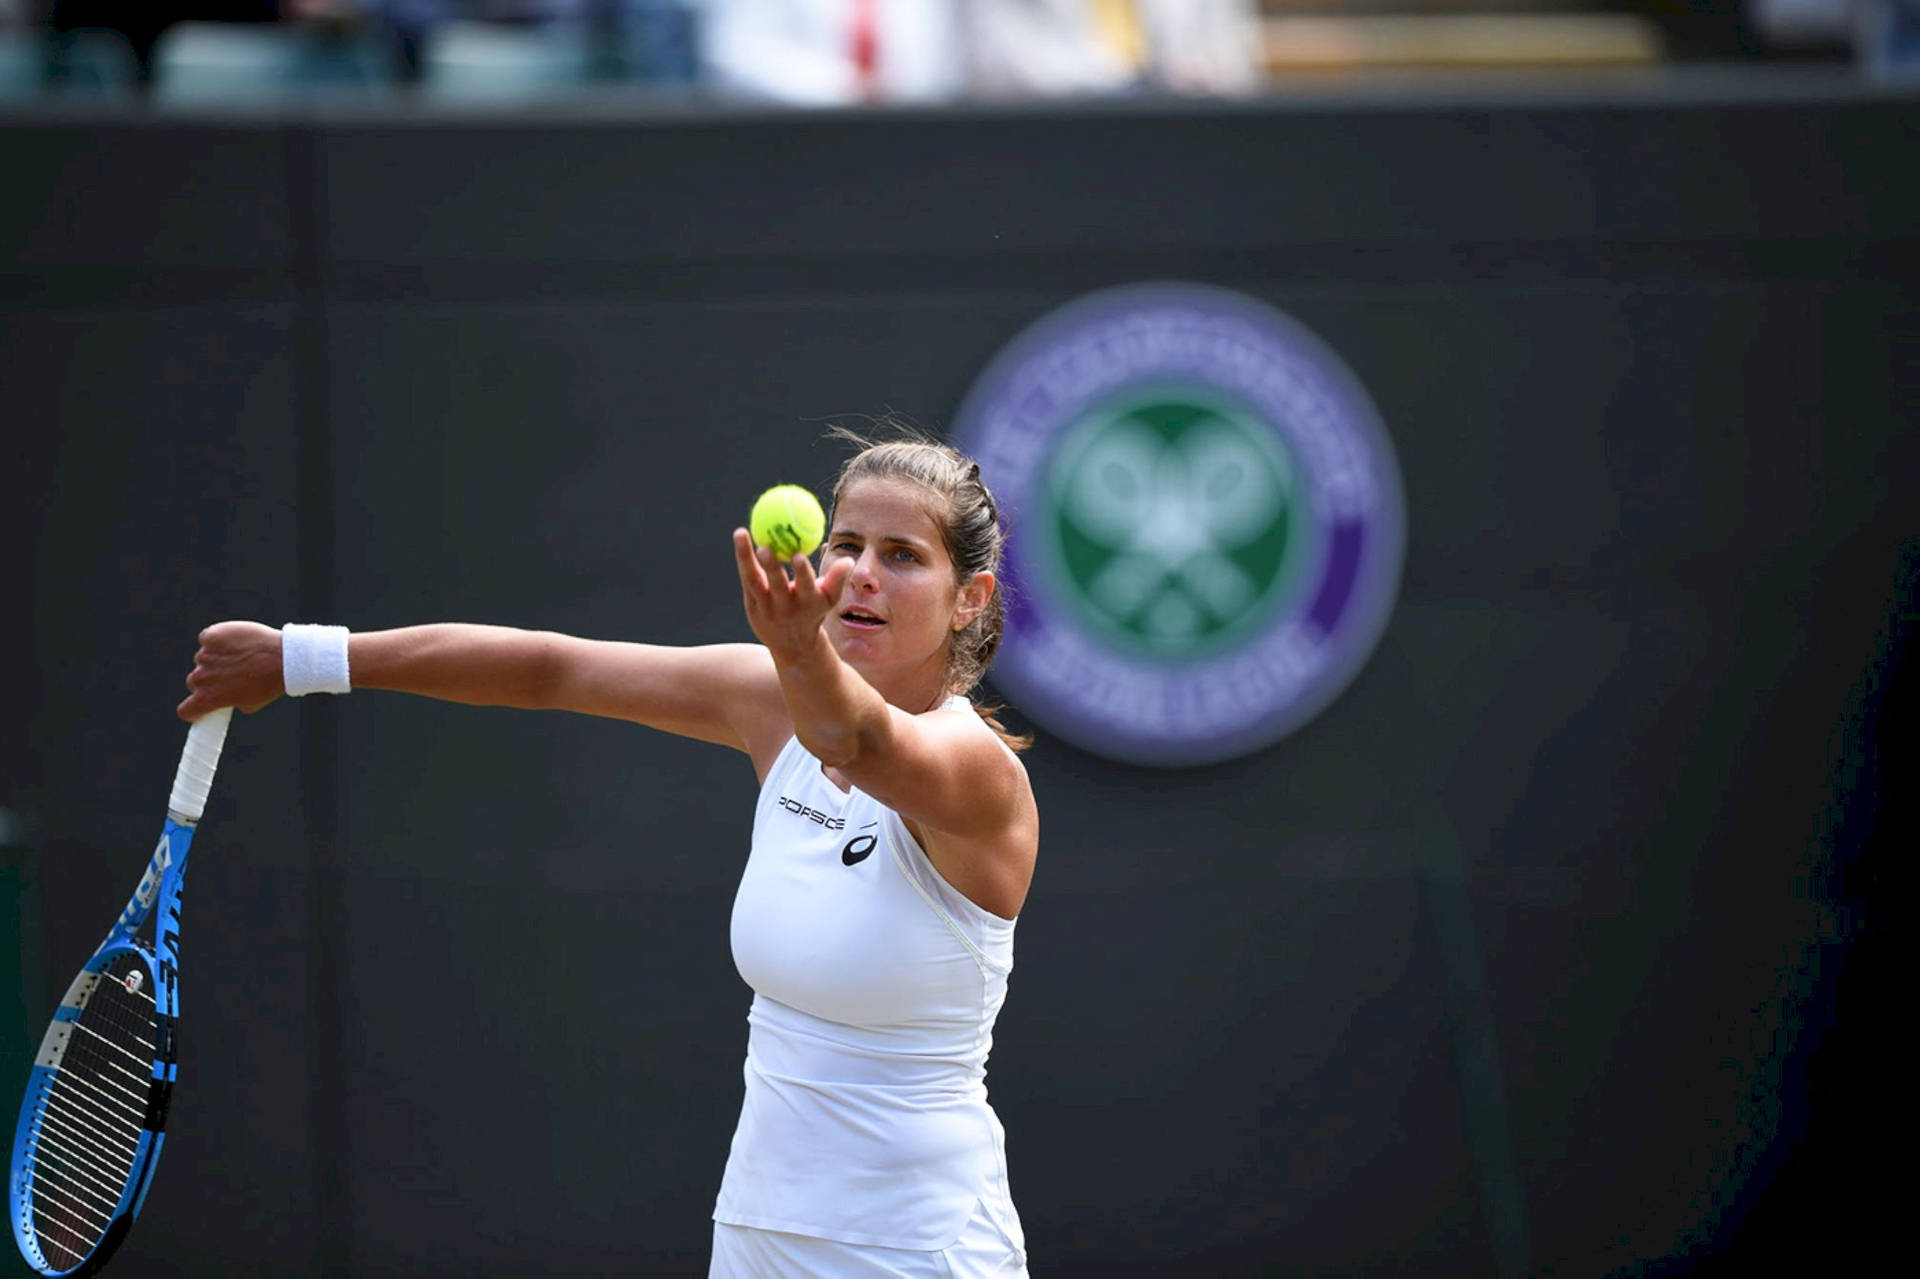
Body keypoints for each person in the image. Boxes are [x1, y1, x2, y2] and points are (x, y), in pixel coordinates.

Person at [176, 429, 1038, 1277]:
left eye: (903, 555)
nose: (861, 573)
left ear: (970, 596)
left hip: (922, 1249)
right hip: (760, 1235)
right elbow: (554, 669)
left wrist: (797, 647)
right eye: (845, 544)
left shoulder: (977, 776)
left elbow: (856, 740)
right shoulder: (775, 702)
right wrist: (298, 657)